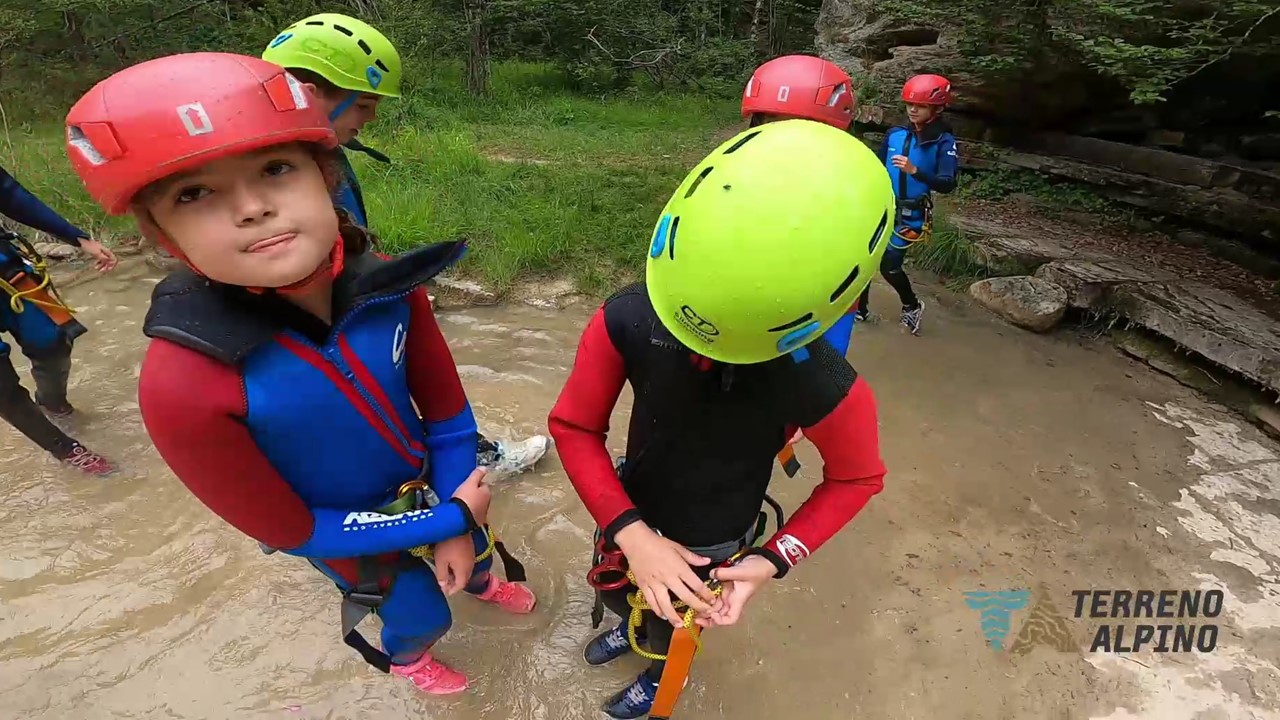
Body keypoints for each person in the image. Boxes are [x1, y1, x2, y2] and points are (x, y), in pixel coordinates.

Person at [64, 52, 536, 695]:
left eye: (276, 168)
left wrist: (459, 515)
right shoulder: (184, 382)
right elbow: (290, 528)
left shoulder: (387, 284)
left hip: (436, 489)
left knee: (476, 558)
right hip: (340, 527)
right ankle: (407, 658)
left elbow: (449, 421)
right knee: (420, 612)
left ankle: (483, 578)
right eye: (194, 193)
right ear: (163, 235)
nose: (253, 207)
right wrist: (445, 520)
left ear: (327, 176)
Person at [548, 119, 891, 719]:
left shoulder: (823, 383)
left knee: (672, 622)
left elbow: (857, 479)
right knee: (620, 583)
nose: (702, 352)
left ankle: (657, 676)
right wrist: (630, 531)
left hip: (714, 535)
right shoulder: (633, 317)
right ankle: (628, 629)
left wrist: (771, 558)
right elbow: (575, 428)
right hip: (631, 503)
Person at [262, 13, 550, 477]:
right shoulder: (284, 177)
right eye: (365, 103)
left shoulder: (305, 159)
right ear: (310, 99)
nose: (373, 116)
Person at [0, 165, 117, 475]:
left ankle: (53, 403)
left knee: (52, 340)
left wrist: (77, 238)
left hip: (7, 275)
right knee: (2, 386)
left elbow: (10, 194)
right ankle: (67, 449)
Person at [741, 53, 858, 357]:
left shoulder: (851, 183)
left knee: (815, 387)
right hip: (748, 301)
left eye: (800, 127)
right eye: (771, 125)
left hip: (823, 306)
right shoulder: (734, 173)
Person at [855, 73, 959, 336]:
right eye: (909, 104)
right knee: (866, 258)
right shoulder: (895, 134)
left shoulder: (943, 141)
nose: (913, 110)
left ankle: (911, 305)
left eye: (921, 105)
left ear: (937, 109)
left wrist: (916, 171)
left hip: (911, 215)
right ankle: (860, 309)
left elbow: (947, 183)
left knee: (889, 265)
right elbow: (876, 169)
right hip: (882, 208)